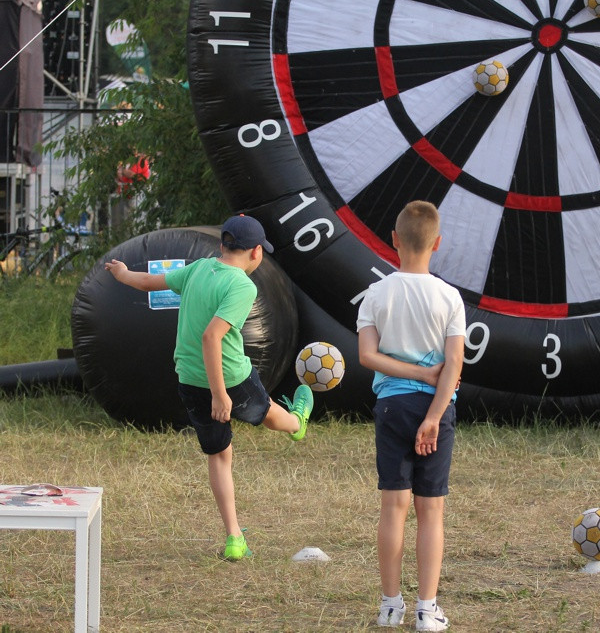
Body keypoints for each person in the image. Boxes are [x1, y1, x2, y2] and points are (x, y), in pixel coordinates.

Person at [105, 214, 313, 561]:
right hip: (231, 381)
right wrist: (221, 395)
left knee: (220, 455)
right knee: (266, 413)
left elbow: (146, 283)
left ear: (222, 245)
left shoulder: (199, 268)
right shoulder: (243, 286)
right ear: (256, 253)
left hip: (189, 380)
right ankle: (297, 423)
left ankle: (234, 538)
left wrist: (122, 273)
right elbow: (211, 336)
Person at [356, 201, 466, 631]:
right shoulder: (449, 296)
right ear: (437, 243)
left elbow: (368, 356)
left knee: (393, 507)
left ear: (394, 240)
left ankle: (389, 605)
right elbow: (453, 365)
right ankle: (426, 609)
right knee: (430, 512)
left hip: (392, 407)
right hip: (437, 409)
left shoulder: (376, 293)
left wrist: (413, 373)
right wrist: (435, 414)